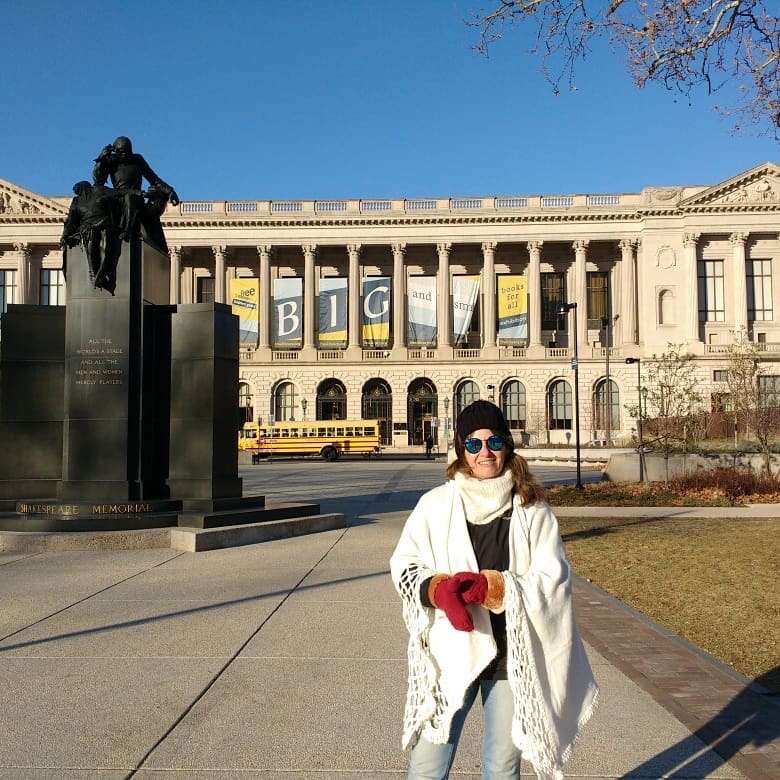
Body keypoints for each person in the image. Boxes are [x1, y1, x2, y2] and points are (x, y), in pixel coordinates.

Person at [390, 400, 598, 780]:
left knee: (502, 768)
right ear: (460, 450)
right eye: (473, 444)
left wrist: (496, 587)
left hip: (511, 656)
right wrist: (439, 590)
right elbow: (405, 564)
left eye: (494, 441)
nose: (485, 453)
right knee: (427, 765)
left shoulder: (532, 509)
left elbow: (554, 576)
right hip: (451, 650)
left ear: (507, 445)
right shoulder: (435, 506)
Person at [92, 136, 179, 252]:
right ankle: (127, 232)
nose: (124, 155)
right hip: (119, 197)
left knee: (157, 198)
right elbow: (98, 181)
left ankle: (157, 246)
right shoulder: (111, 160)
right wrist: (101, 159)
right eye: (121, 152)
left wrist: (170, 191)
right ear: (115, 151)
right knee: (129, 198)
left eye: (127, 152)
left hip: (138, 198)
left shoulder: (137, 160)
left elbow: (154, 179)